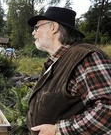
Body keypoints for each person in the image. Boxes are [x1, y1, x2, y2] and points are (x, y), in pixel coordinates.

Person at [27, 7, 111, 135]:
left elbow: (107, 111)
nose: (33, 33)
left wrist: (58, 130)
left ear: (54, 27)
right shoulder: (54, 62)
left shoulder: (85, 57)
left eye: (37, 27)